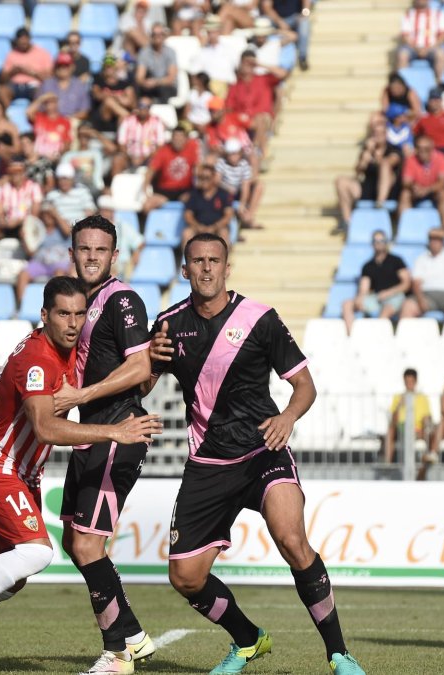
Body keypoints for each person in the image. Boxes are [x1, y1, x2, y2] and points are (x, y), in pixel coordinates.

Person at [0, 276, 162, 675]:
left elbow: (128, 374)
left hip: (23, 473)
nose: (72, 323)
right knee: (38, 552)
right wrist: (114, 431)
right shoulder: (38, 358)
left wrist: (155, 361)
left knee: (8, 578)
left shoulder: (64, 350)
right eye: (62, 314)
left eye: (78, 314)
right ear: (45, 315)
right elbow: (45, 428)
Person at [146, 234, 366, 675]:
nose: (206, 268)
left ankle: (339, 654)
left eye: (214, 261)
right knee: (185, 577)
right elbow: (141, 386)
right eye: (197, 261)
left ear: (227, 268)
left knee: (291, 539)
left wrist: (287, 418)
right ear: (184, 269)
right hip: (208, 461)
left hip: (263, 448)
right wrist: (148, 361)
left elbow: (305, 386)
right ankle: (248, 640)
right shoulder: (168, 323)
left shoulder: (259, 319)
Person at [55, 215, 162, 672]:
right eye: (84, 249)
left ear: (114, 255)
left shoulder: (122, 301)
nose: (92, 256)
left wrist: (82, 396)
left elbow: (140, 369)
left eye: (101, 250)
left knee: (86, 547)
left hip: (119, 431)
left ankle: (117, 652)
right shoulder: (79, 303)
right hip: (93, 433)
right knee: (72, 539)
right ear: (73, 252)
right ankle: (133, 634)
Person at [341, 231, 410, 331]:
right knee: (347, 304)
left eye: (381, 240)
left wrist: (388, 293)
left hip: (395, 296)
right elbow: (364, 288)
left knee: (386, 310)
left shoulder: (396, 261)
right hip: (377, 298)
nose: (378, 243)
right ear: (372, 243)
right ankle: (352, 335)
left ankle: (378, 337)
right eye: (375, 240)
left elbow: (406, 283)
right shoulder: (367, 266)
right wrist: (360, 298)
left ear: (386, 242)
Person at [401, 229, 444, 319]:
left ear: (443, 241)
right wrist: (420, 301)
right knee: (408, 305)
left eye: (438, 239)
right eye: (432, 239)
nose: (435, 242)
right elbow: (416, 282)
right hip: (428, 296)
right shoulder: (422, 258)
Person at [398, 134, 444, 228]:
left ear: (432, 148)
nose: (422, 152)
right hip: (416, 190)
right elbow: (406, 181)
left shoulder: (441, 158)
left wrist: (427, 190)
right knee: (405, 194)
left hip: (434, 190)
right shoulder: (411, 159)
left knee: (443, 194)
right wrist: (414, 187)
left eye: (426, 149)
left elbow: (442, 182)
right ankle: (404, 227)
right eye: (419, 148)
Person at [384, 367, 433, 465]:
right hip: (401, 429)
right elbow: (393, 421)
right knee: (390, 430)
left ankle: (426, 462)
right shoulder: (398, 397)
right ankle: (387, 464)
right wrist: (398, 407)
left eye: (411, 381)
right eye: (407, 382)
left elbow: (427, 418)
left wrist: (425, 422)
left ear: (416, 381)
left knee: (430, 433)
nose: (409, 384)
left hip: (418, 430)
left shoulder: (423, 398)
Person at [183, 165, 236, 245]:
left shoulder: (223, 194)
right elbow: (188, 215)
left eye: (207, 178)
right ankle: (187, 257)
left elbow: (228, 215)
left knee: (223, 233)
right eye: (201, 178)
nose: (204, 181)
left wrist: (214, 227)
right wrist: (198, 226)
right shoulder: (194, 194)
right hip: (198, 228)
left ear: (213, 178)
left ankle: (225, 257)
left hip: (218, 228)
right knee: (187, 233)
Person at [397, 0, 444, 80]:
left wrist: (429, 48)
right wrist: (417, 49)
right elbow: (405, 36)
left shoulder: (438, 14)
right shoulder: (408, 15)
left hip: (433, 47)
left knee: (441, 55)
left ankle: (440, 85)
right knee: (402, 55)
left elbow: (443, 36)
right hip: (413, 48)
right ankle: (403, 85)